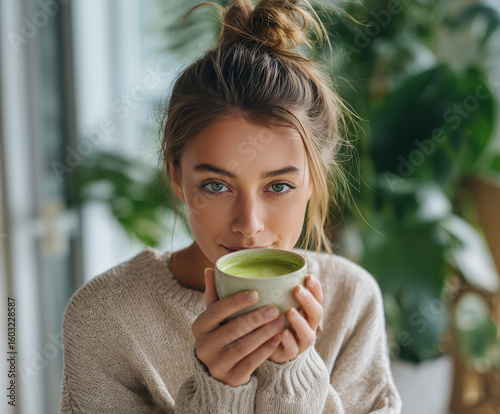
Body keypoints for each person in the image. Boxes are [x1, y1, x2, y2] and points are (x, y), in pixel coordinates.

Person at [59, 0, 402, 412]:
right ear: (176, 178)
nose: (249, 225)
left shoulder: (351, 302)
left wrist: (292, 379)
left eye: (278, 186)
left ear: (312, 182)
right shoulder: (105, 318)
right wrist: (217, 395)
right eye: (217, 185)